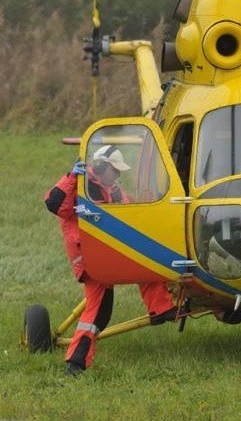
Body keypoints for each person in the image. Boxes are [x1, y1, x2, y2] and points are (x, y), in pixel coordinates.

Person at [44, 144, 177, 376]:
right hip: (91, 258)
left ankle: (162, 309)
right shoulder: (79, 186)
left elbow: (130, 211)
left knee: (147, 265)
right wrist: (71, 177)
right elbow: (53, 204)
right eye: (114, 170)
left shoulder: (113, 190)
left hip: (112, 252)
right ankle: (75, 364)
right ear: (101, 166)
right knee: (98, 314)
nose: (117, 175)